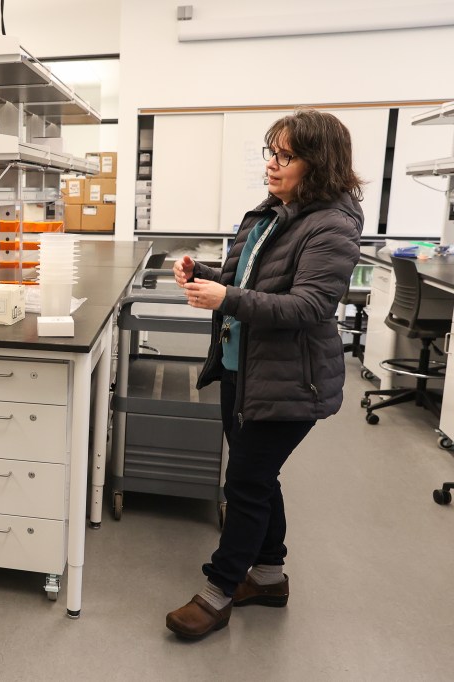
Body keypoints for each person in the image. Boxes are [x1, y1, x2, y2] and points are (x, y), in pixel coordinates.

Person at [165, 108, 364, 639]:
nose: (272, 165)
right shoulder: (272, 214)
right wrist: (205, 275)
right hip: (245, 371)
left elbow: (309, 306)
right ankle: (270, 578)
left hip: (289, 380)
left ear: (319, 163)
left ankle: (219, 592)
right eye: (270, 153)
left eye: (286, 156)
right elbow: (250, 282)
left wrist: (225, 297)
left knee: (245, 483)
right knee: (258, 477)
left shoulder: (332, 226)